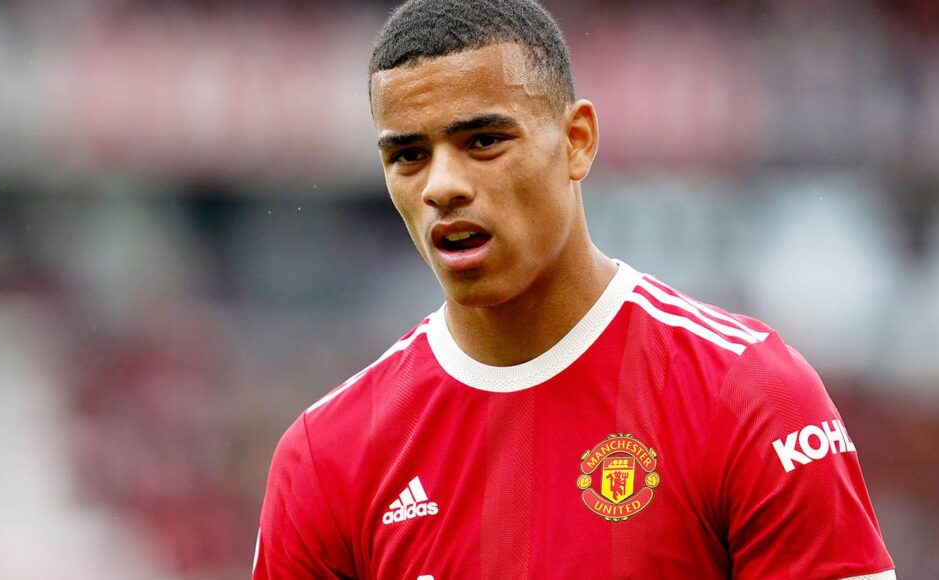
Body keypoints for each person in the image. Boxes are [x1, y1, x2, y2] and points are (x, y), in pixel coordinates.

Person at [254, 0, 896, 578]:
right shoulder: (326, 457)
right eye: (408, 156)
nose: (442, 186)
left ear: (577, 142)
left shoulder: (751, 395)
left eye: (483, 141)